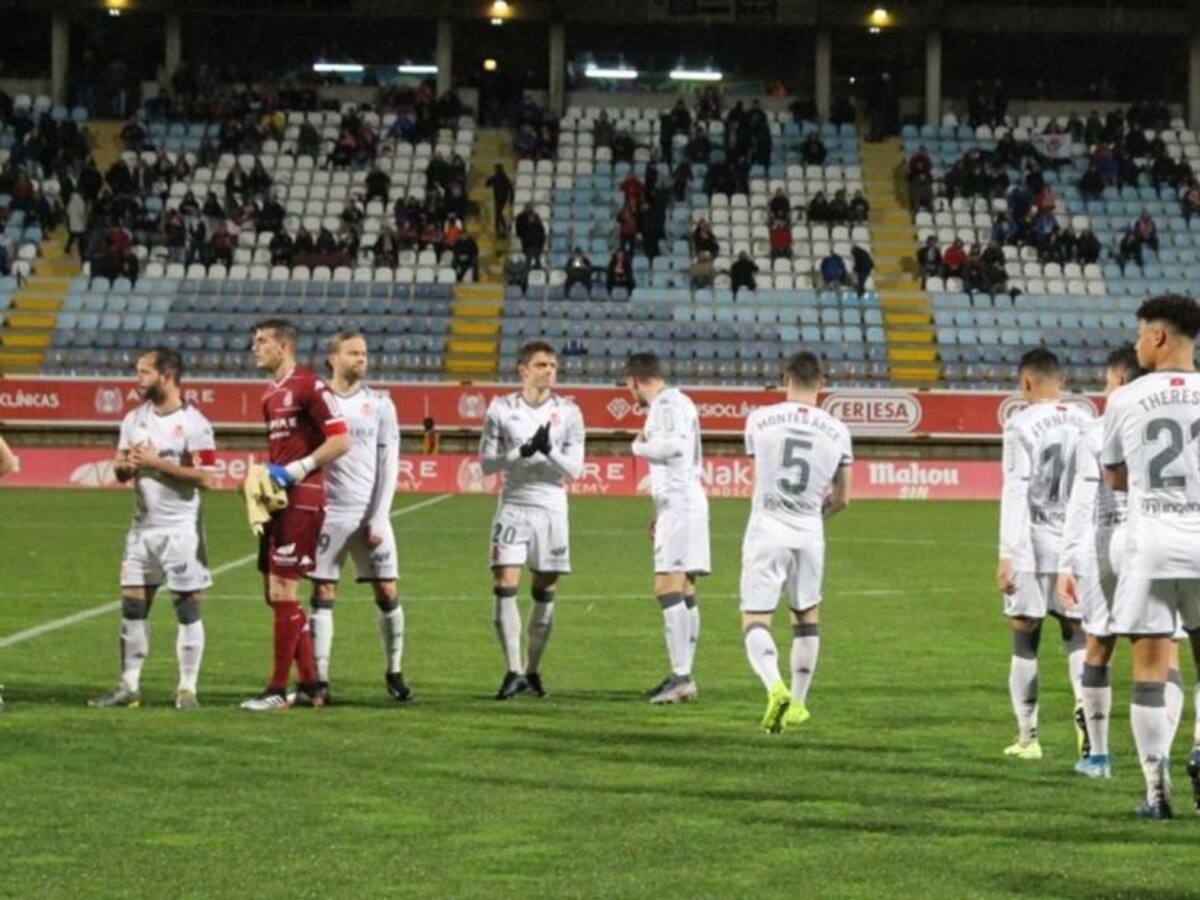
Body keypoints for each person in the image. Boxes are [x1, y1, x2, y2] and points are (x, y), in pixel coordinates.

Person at [1055, 347, 1183, 780]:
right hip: (1162, 538)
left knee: (1099, 644)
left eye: (1108, 381)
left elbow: (1082, 501)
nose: (1106, 389)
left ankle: (1099, 756)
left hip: (1108, 542)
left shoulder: (1099, 428)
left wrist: (1067, 561)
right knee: (1166, 654)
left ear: (1122, 381)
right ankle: (1160, 756)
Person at [1100, 294, 1200, 818]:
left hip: (1150, 544)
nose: (1137, 342)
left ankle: (1156, 792)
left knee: (1148, 668)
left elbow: (1115, 477)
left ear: (1159, 336)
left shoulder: (1125, 398)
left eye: (1141, 333)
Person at [88, 348, 216, 710]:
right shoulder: (133, 419)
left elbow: (207, 478)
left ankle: (187, 688)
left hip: (181, 531)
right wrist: (127, 466)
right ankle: (129, 685)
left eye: (144, 372)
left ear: (167, 376)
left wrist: (156, 463)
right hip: (141, 529)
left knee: (187, 609)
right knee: (132, 607)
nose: (138, 379)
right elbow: (119, 468)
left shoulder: (195, 423)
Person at [240, 320, 351, 712]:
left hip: (302, 499)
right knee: (275, 596)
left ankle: (276, 688)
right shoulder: (270, 394)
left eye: (262, 341)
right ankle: (310, 686)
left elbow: (341, 440)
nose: (255, 348)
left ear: (283, 346)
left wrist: (297, 470)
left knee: (283, 592)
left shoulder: (310, 385)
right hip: (278, 501)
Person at [740, 352, 852, 733]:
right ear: (822, 382)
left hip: (768, 527)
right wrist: (814, 513)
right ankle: (799, 703)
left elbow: (758, 476)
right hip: (808, 531)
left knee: (756, 617)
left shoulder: (759, 419)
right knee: (806, 616)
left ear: (784, 377)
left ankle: (775, 687)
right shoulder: (837, 431)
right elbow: (843, 498)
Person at [996, 348, 1093, 761]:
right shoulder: (1088, 421)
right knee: (1078, 634)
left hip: (1032, 545)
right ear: (1062, 382)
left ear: (1026, 382)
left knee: (1025, 635)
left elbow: (1016, 489)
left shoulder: (1020, 424)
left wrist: (1007, 553)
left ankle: (1028, 738)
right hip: (1076, 545)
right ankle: (1088, 725)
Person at [479, 342, 585, 700]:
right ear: (523, 370)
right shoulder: (500, 409)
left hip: (552, 508)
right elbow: (486, 464)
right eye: (542, 365)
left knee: (545, 589)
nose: (549, 371)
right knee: (504, 581)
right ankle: (512, 670)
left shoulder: (569, 412)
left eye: (553, 365)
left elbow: (575, 470)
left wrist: (548, 449)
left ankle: (532, 670)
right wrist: (520, 451)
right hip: (513, 504)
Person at [307, 332, 408, 706]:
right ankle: (320, 678)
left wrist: (379, 516)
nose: (361, 358)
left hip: (368, 513)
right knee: (322, 591)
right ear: (333, 357)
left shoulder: (380, 404)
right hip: (328, 513)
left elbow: (389, 462)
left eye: (364, 353)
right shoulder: (316, 401)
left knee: (387, 590)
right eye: (353, 353)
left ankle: (394, 671)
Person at [624, 353, 709, 705]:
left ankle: (681, 678)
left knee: (666, 587)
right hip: (681, 503)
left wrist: (637, 446)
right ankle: (683, 674)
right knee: (685, 588)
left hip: (681, 504)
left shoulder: (665, 404)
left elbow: (673, 448)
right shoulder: (678, 401)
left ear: (634, 381)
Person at [486, 164, 513, 236]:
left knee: (498, 213)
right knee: (498, 213)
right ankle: (501, 227)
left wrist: (511, 200)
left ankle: (500, 228)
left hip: (500, 198)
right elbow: (511, 190)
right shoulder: (504, 178)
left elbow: (487, 184)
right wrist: (511, 200)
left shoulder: (498, 178)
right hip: (501, 198)